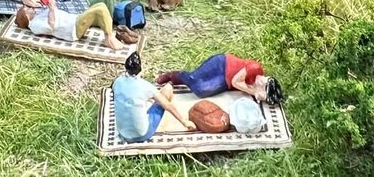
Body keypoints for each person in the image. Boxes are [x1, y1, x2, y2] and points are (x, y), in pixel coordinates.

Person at [114, 50, 195, 142]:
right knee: (167, 89)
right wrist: (185, 122)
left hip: (123, 133)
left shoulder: (117, 81)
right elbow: (167, 105)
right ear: (140, 69)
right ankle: (167, 119)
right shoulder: (146, 86)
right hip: (142, 135)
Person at [15, 0, 124, 50]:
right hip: (72, 29)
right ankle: (109, 38)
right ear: (26, 17)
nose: (30, 8)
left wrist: (50, 1)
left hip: (74, 20)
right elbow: (51, 26)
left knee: (101, 5)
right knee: (100, 9)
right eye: (27, 9)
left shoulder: (38, 16)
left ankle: (104, 26)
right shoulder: (34, 25)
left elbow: (55, 13)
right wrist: (51, 8)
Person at [156, 54, 284, 105]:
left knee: (200, 90)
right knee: (194, 78)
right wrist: (253, 91)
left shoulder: (255, 86)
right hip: (222, 64)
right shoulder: (255, 68)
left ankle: (180, 78)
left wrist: (255, 92)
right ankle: (175, 76)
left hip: (225, 81)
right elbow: (236, 81)